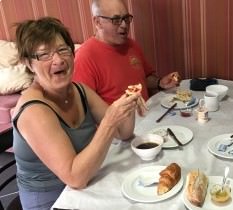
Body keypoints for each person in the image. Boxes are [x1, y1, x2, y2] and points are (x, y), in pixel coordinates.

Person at [12, 17, 140, 210]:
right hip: (53, 201)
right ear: (29, 64)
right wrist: (108, 123)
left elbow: (124, 133)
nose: (58, 60)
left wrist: (128, 103)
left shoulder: (79, 90)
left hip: (88, 185)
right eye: (44, 54)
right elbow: (75, 177)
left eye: (63, 50)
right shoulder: (33, 110)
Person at [73, 0, 180, 105]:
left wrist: (160, 83)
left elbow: (143, 79)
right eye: (116, 20)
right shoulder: (85, 57)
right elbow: (82, 110)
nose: (124, 25)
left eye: (126, 18)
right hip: (119, 122)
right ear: (98, 22)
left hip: (148, 115)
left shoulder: (132, 45)